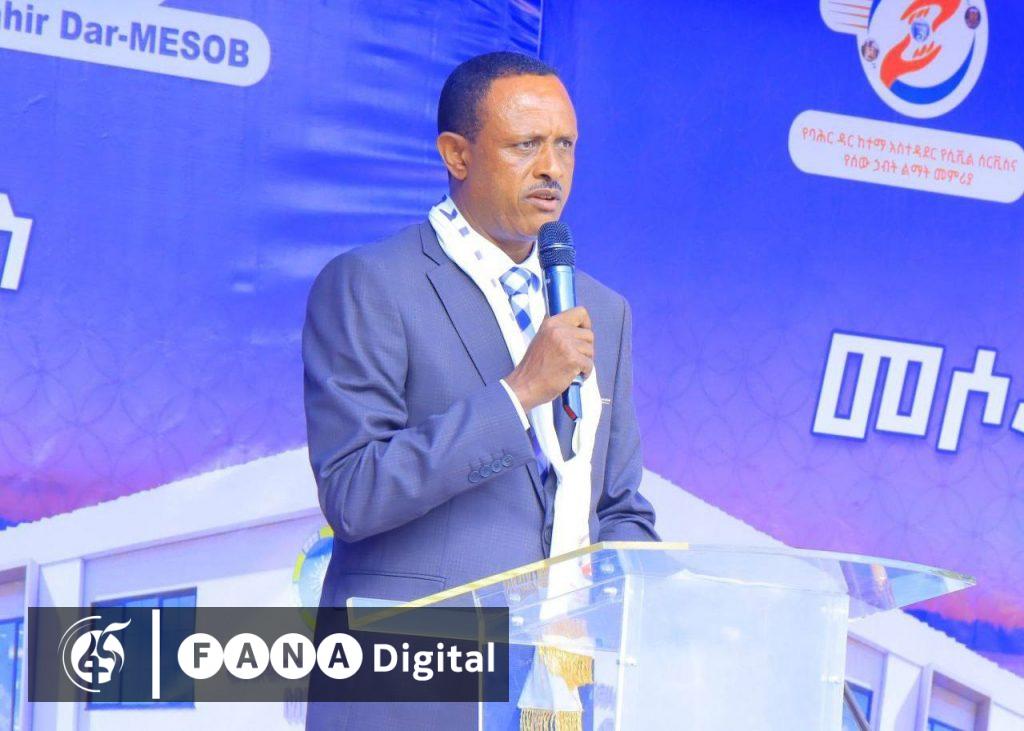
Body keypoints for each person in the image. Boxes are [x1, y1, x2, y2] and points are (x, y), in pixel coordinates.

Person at [302, 50, 658, 730]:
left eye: (565, 146)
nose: (552, 168)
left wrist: (634, 597)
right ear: (456, 154)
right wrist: (518, 394)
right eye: (526, 145)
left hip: (561, 690)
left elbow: (617, 503)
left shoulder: (602, 310)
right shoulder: (372, 284)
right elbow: (354, 492)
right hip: (413, 687)